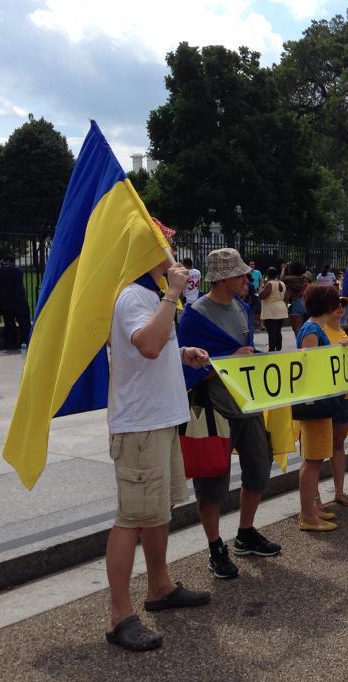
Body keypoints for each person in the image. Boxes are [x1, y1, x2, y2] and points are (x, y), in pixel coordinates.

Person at [104, 251, 211, 652]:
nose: (174, 256)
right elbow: (147, 345)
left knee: (158, 511)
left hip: (160, 420)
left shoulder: (154, 296)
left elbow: (152, 348)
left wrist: (182, 353)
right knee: (130, 518)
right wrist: (172, 294)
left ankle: (159, 586)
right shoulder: (135, 295)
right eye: (165, 249)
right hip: (140, 426)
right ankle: (119, 616)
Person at [181, 249, 282, 579]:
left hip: (246, 403)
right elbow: (185, 368)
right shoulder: (196, 315)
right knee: (211, 483)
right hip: (215, 409)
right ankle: (215, 548)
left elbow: (244, 352)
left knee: (259, 465)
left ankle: (245, 532)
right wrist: (228, 362)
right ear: (224, 278)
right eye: (240, 275)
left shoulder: (240, 306)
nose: (247, 279)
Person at [293, 284, 342, 529]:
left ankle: (310, 509)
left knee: (314, 458)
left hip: (318, 400)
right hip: (316, 401)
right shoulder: (312, 329)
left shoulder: (312, 327)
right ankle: (307, 515)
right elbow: (309, 365)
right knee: (312, 460)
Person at [322, 297, 348, 508]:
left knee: (338, 444)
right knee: (317, 448)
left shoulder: (345, 329)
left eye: (343, 305)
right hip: (326, 396)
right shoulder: (317, 329)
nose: (340, 308)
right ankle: (314, 497)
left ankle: (339, 491)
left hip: (345, 395)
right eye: (335, 304)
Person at [0, 255, 31, 350]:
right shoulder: (18, 270)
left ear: (5, 261)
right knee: (24, 323)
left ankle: (11, 343)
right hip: (20, 300)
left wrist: (0, 266)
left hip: (6, 301)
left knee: (9, 324)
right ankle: (25, 342)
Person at [258, 266, 287, 352]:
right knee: (278, 331)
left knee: (271, 332)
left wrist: (260, 288)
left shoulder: (270, 284)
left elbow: (262, 296)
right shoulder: (282, 283)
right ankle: (278, 349)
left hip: (271, 310)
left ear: (268, 274)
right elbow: (286, 297)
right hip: (281, 309)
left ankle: (272, 350)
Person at [282, 261, 309, 337]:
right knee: (305, 328)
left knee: (297, 328)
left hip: (295, 303)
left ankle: (300, 345)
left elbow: (282, 278)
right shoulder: (304, 278)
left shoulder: (291, 278)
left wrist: (284, 268)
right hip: (304, 302)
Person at [248, 260, 263, 331]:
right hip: (248, 292)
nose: (252, 266)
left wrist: (260, 289)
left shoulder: (258, 272)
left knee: (258, 308)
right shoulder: (246, 273)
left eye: (253, 264)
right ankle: (252, 326)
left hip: (256, 292)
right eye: (251, 264)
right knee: (250, 308)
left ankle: (259, 326)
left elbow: (261, 281)